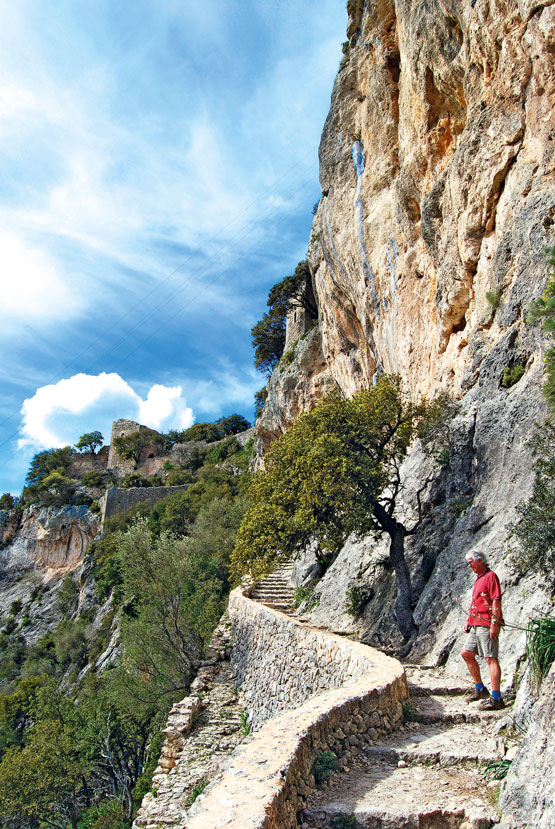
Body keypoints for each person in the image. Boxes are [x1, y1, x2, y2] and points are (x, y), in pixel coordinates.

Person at [460, 550, 505, 710]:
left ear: (480, 560)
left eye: (470, 562)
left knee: (490, 658)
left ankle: (496, 698)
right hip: (475, 623)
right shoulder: (478, 579)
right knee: (467, 654)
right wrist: (468, 619)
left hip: (486, 623)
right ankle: (480, 689)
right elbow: (476, 601)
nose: (469, 565)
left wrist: (494, 623)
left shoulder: (491, 576)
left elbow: (496, 601)